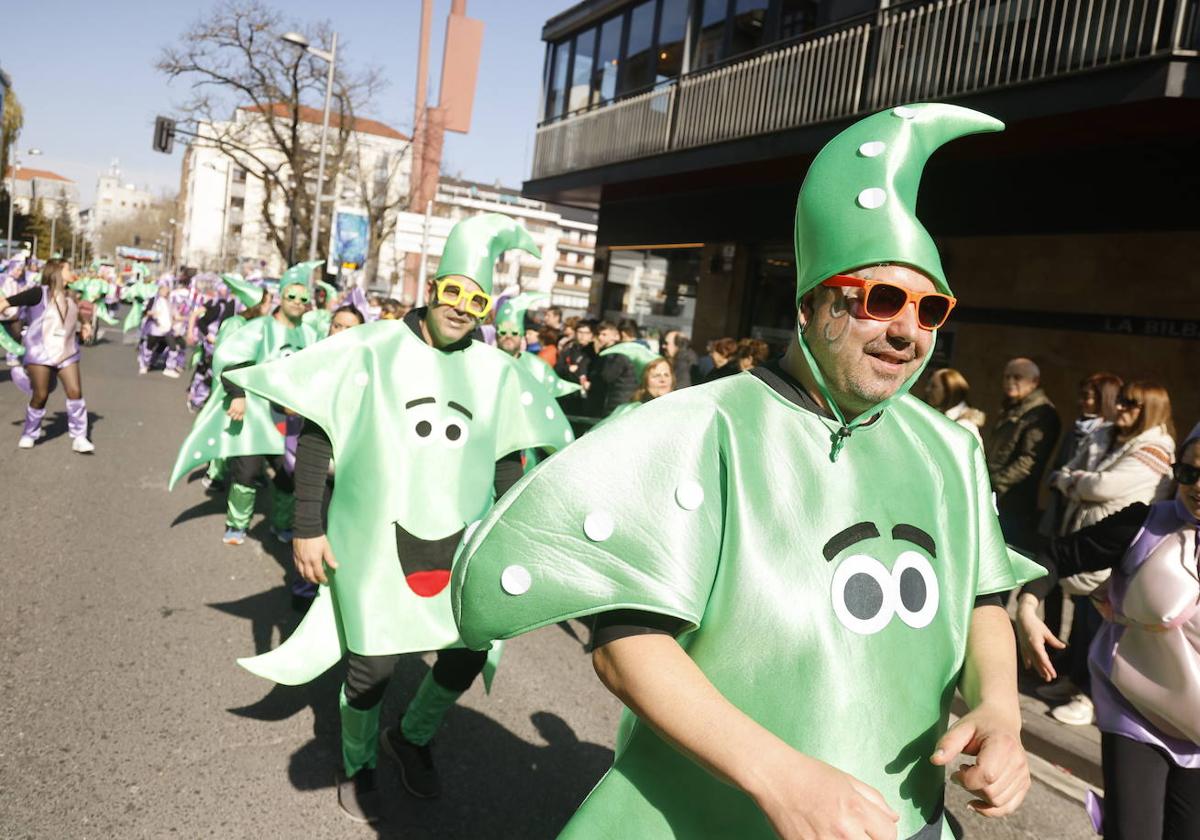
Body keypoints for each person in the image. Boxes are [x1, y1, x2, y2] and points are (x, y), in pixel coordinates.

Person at [453, 103, 1041, 838]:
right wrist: (780, 776)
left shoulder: (949, 450)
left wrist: (1001, 710)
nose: (905, 330)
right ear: (810, 304)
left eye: (930, 310)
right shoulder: (703, 427)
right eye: (882, 299)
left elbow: (984, 596)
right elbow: (625, 643)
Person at [226, 214, 572, 824]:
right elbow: (315, 438)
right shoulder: (372, 347)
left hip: (459, 544)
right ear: (434, 287)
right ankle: (358, 762)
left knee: (469, 648)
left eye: (478, 299)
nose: (463, 308)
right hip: (372, 541)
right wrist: (308, 526)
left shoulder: (494, 372)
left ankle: (411, 736)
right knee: (374, 663)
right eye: (454, 292)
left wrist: (507, 535)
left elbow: (505, 461)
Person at [1016, 433, 1200, 840]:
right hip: (1136, 713)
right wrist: (1028, 606)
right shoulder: (1144, 525)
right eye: (1190, 472)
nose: (1198, 486)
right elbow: (1056, 556)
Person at [1039, 381, 1176, 726]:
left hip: (1121, 552)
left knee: (1104, 625)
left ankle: (1091, 697)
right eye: (1122, 401)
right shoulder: (1115, 437)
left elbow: (1103, 486)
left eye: (1132, 404)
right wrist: (1081, 480)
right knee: (1085, 619)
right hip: (1094, 545)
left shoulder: (1155, 448)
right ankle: (1075, 680)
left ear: (1151, 410)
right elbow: (1080, 472)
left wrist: (1075, 482)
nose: (1121, 408)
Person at [168, 264, 321, 546]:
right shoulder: (260, 329)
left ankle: (282, 523)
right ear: (280, 297)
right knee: (247, 472)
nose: (298, 304)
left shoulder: (311, 334)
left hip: (290, 419)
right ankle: (237, 523)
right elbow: (231, 359)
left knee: (289, 474)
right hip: (256, 417)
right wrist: (238, 393)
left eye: (303, 299)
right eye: (292, 297)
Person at [0, 259, 95, 453]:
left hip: (67, 352)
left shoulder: (71, 295)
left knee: (75, 391)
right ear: (58, 271)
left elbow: (79, 313)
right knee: (41, 395)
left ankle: (79, 437)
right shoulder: (38, 293)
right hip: (39, 352)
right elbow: (5, 302)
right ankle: (30, 432)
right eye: (69, 269)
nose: (72, 272)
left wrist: (86, 324)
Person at [987, 357, 1062, 553]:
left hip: (1013, 498)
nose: (1010, 381)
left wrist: (995, 483)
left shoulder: (1041, 413)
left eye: (1018, 377)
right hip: (996, 492)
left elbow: (1028, 461)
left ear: (1034, 381)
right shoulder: (1013, 406)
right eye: (1007, 376)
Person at [925, 367, 986, 445]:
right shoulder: (944, 418)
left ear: (949, 390)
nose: (927, 390)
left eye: (934, 386)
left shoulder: (965, 426)